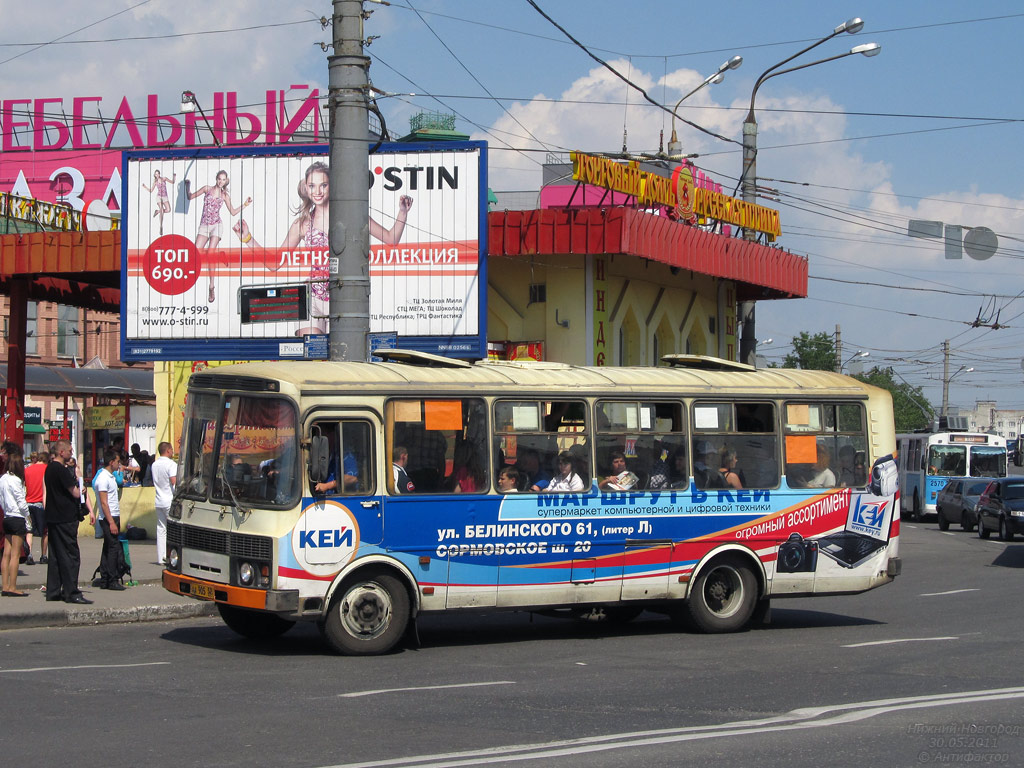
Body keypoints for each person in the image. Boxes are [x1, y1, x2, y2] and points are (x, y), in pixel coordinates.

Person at [234, 161, 414, 335]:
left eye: (323, 185)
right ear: (306, 187)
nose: (318, 192)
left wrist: (402, 213)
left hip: (344, 298)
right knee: (313, 351)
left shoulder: (353, 216)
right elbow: (274, 263)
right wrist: (247, 238)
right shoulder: (302, 224)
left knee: (342, 355)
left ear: (331, 186)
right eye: (312, 186)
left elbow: (391, 239)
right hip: (312, 297)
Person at [189, 169, 253, 302]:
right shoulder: (207, 189)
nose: (220, 181)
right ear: (216, 178)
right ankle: (220, 256)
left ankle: (211, 286)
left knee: (210, 253)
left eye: (223, 179)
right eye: (219, 178)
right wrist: (187, 187)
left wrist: (245, 204)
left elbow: (233, 212)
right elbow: (190, 196)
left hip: (216, 226)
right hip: (204, 225)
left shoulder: (224, 196)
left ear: (225, 181)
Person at [44, 440, 92, 604]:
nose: (71, 453)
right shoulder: (61, 471)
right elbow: (76, 493)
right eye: (70, 450)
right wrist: (82, 488)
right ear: (61, 452)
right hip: (65, 517)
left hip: (53, 517)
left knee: (56, 555)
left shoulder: (49, 469)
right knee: (71, 555)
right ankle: (72, 592)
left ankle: (53, 590)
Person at [93, 448, 126, 590]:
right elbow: (104, 502)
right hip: (108, 517)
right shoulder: (103, 478)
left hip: (113, 515)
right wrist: (111, 522)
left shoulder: (111, 477)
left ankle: (105, 577)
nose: (119, 464)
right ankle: (112, 579)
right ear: (111, 462)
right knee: (113, 547)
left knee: (108, 546)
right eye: (117, 461)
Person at [0, 447, 30, 596]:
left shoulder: (3, 478)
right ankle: (12, 587)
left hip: (7, 517)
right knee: (15, 555)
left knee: (6, 553)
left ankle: (4, 586)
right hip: (17, 517)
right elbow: (21, 502)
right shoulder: (16, 480)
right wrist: (28, 519)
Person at [150, 442, 177, 567]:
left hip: (159, 500)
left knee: (161, 529)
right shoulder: (171, 464)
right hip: (169, 500)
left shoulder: (154, 465)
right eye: (171, 449)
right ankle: (173, 557)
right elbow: (174, 482)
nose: (173, 452)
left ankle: (161, 557)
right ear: (168, 450)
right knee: (173, 530)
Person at [24, 450, 48, 565]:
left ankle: (29, 554)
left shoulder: (27, 470)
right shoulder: (47, 469)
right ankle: (43, 556)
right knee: (45, 532)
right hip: (41, 504)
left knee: (29, 531)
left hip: (28, 503)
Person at [141, 169, 176, 235]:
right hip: (159, 196)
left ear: (159, 174)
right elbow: (151, 190)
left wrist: (174, 177)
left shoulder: (164, 178)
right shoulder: (155, 182)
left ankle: (157, 211)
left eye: (158, 174)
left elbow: (172, 182)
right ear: (155, 175)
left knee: (168, 209)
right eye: (156, 174)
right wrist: (145, 187)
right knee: (162, 210)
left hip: (165, 196)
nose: (157, 175)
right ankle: (161, 226)